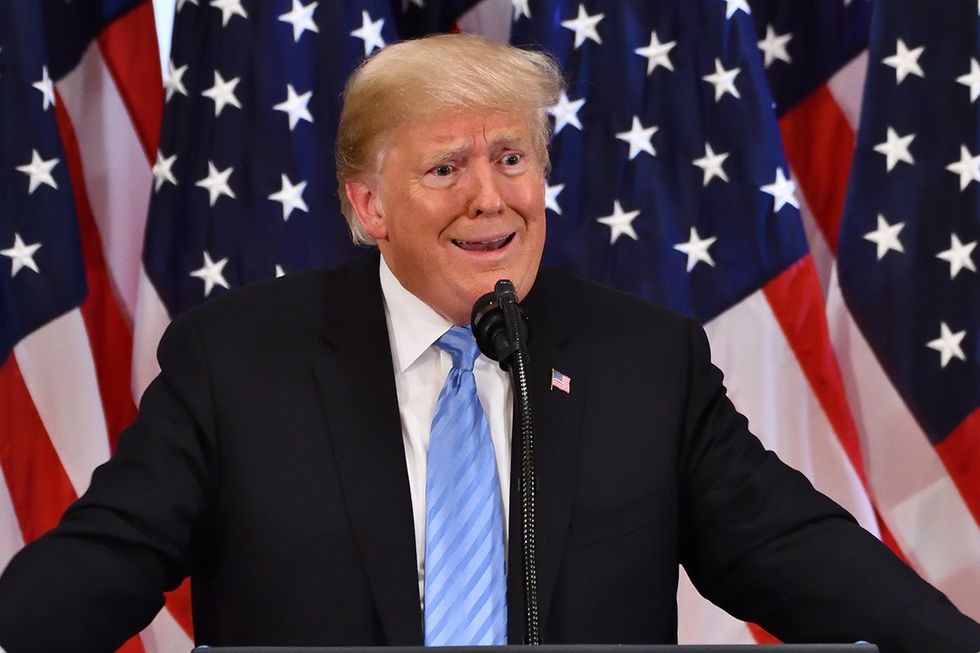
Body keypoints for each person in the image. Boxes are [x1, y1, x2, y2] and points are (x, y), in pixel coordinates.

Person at [0, 33, 978, 653]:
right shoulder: (236, 363)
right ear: (368, 205)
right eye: (445, 168)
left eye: (512, 157)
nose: (490, 197)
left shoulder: (643, 360)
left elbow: (794, 549)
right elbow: (108, 555)